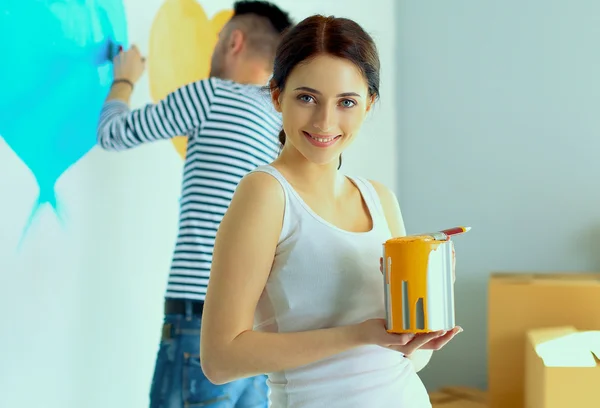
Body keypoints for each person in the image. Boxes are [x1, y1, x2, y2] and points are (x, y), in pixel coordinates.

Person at [199, 14, 462, 407]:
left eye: (346, 102)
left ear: (369, 104)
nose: (325, 121)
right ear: (276, 95)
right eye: (307, 97)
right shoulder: (266, 195)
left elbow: (408, 359)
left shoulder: (379, 198)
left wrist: (427, 312)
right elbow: (220, 359)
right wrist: (359, 334)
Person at [95, 1, 294, 407]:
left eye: (217, 41)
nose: (213, 51)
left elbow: (113, 133)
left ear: (234, 41)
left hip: (199, 324)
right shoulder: (282, 129)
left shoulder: (210, 96)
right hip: (256, 333)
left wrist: (126, 78)